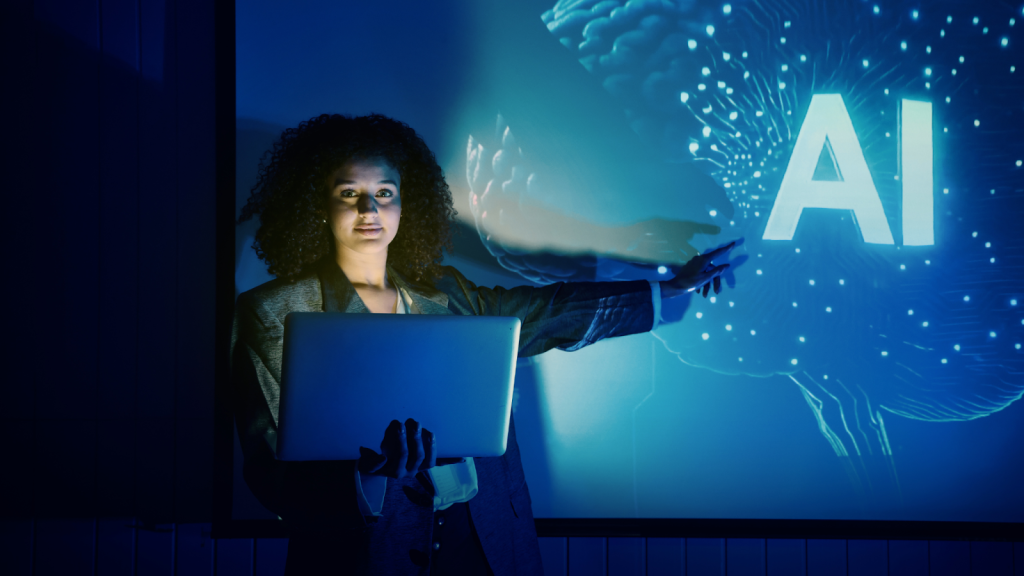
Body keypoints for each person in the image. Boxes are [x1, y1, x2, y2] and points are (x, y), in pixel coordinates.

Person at [232, 113, 735, 575]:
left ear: (407, 205)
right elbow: (268, 469)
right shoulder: (273, 312)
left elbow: (546, 311)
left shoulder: (447, 293)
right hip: (360, 555)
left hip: (484, 539)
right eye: (348, 193)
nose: (369, 208)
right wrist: (367, 476)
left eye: (385, 192)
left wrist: (666, 289)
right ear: (318, 206)